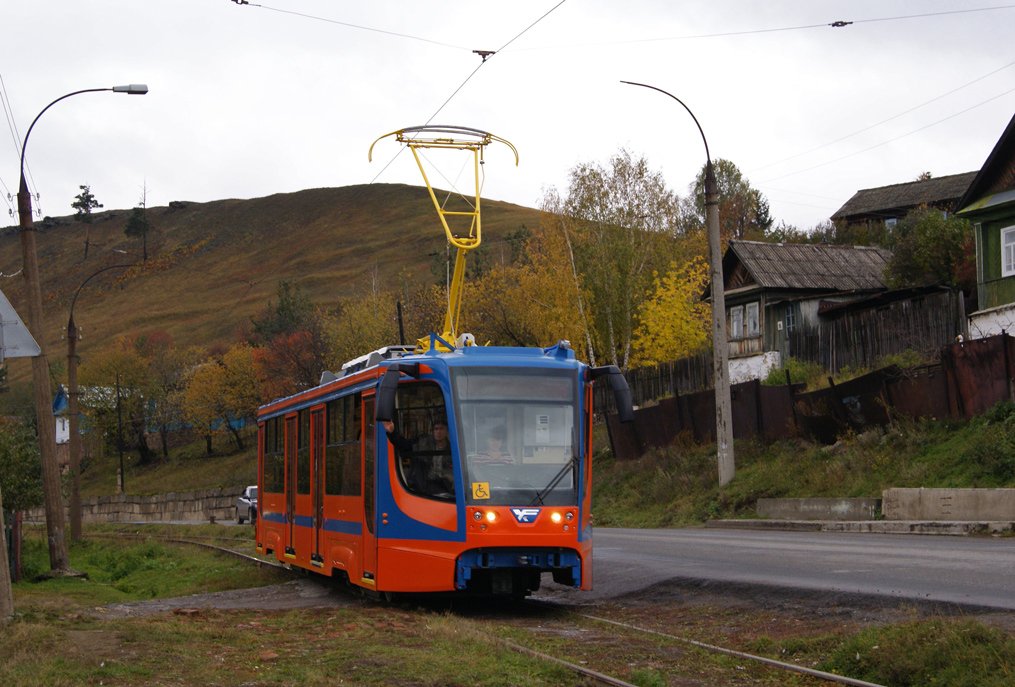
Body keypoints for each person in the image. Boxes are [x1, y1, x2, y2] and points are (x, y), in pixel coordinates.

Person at [382, 415, 453, 495]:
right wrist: (392, 433)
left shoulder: (453, 449)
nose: (438, 432)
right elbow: (404, 446)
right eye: (436, 429)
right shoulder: (422, 443)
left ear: (447, 431)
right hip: (422, 488)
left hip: (444, 489)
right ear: (432, 431)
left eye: (441, 429)